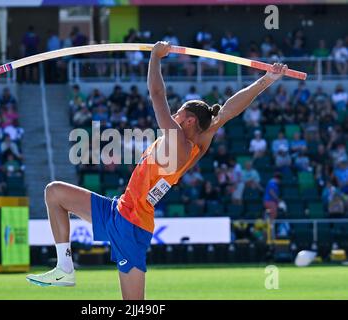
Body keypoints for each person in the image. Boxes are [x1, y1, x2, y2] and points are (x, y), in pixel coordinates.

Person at [25, 41, 288, 299]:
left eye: (179, 112)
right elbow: (229, 110)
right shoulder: (200, 140)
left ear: (189, 120)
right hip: (118, 209)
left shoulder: (177, 139)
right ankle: (65, 267)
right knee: (54, 193)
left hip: (132, 225)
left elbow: (156, 95)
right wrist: (267, 79)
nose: (173, 114)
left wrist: (155, 57)